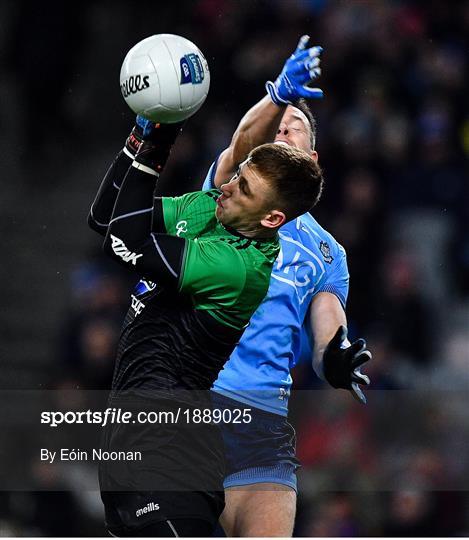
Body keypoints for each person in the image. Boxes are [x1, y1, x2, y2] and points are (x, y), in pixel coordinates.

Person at [87, 101, 324, 536]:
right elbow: (104, 220)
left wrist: (161, 142)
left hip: (172, 459)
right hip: (129, 451)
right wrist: (139, 140)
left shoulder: (238, 267)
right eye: (237, 175)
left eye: (244, 188)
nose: (229, 187)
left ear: (271, 218)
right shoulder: (211, 207)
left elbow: (124, 237)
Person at [201, 36, 372, 537]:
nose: (280, 131)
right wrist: (277, 96)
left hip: (264, 429)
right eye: (272, 129)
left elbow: (326, 337)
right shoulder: (227, 201)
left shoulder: (327, 254)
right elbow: (239, 145)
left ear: (313, 162)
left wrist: (336, 358)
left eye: (292, 129)